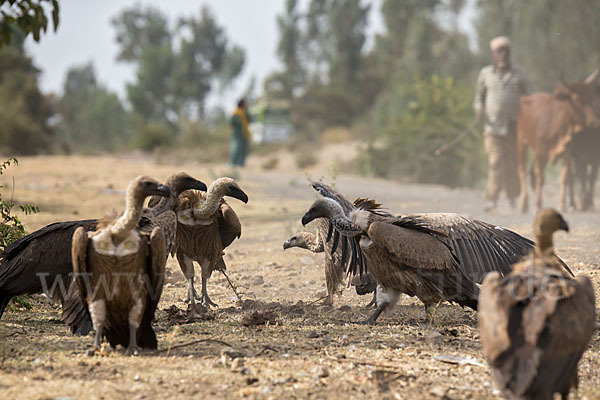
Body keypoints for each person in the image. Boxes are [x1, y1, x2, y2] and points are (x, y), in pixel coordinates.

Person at [473, 36, 532, 212]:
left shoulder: (519, 74)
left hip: (514, 129)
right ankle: (491, 200)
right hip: (492, 129)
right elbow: (478, 97)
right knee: (496, 162)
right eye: (499, 51)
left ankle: (513, 196)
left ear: (510, 53)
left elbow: (531, 96)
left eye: (506, 51)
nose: (503, 54)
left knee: (514, 164)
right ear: (493, 54)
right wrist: (478, 109)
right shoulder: (485, 74)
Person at [230, 98, 252, 167]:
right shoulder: (236, 112)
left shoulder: (245, 112)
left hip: (244, 134)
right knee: (236, 148)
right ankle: (232, 163)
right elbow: (232, 122)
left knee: (243, 149)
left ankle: (241, 164)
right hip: (237, 134)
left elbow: (250, 119)